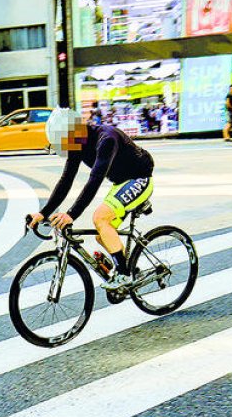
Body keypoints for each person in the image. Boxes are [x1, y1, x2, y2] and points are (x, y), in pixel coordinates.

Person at [29, 108, 155, 292]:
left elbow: (94, 180)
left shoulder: (107, 139)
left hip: (140, 178)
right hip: (121, 182)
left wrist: (71, 215)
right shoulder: (77, 142)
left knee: (100, 218)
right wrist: (42, 213)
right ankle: (131, 269)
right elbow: (66, 180)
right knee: (102, 234)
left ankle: (124, 274)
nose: (64, 147)